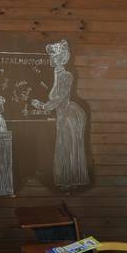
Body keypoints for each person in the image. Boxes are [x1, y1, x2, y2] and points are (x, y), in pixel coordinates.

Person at [31, 40, 89, 189]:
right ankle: (67, 180)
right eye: (51, 56)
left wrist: (43, 106)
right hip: (62, 114)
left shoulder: (66, 76)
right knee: (64, 146)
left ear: (63, 57)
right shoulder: (57, 74)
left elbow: (59, 97)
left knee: (68, 147)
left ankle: (71, 181)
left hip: (70, 115)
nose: (52, 59)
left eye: (55, 56)